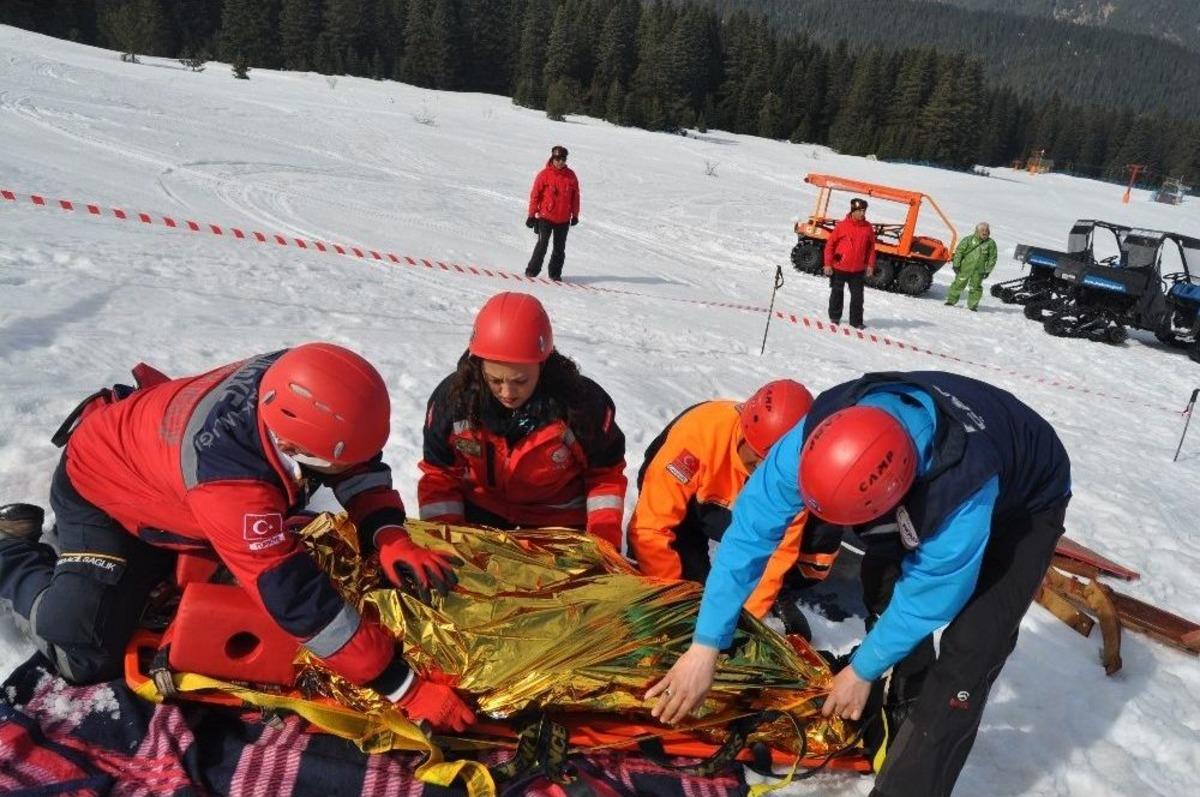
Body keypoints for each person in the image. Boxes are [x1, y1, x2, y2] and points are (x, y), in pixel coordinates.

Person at [0, 344, 474, 732]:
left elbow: (356, 462)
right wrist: (402, 687)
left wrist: (386, 530)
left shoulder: (302, 381)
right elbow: (296, 598)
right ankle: (13, 551)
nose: (356, 469)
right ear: (289, 446)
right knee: (82, 647)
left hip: (167, 477)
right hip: (102, 492)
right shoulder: (231, 483)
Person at [647, 370, 1071, 797]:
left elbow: (930, 597)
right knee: (883, 579)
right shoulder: (816, 435)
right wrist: (706, 644)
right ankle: (899, 696)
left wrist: (864, 668)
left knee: (972, 650)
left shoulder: (956, 495)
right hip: (934, 451)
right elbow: (751, 534)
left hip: (1027, 499)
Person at [628, 380, 842, 631]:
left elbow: (779, 553)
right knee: (684, 595)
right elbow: (651, 528)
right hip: (696, 506)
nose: (763, 475)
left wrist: (743, 621)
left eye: (772, 469)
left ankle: (780, 594)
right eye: (757, 464)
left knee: (819, 551)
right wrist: (671, 598)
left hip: (744, 514)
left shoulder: (791, 473)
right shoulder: (697, 436)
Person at [418, 292, 627, 549]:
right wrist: (444, 543)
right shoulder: (454, 402)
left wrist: (602, 544)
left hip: (555, 520)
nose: (507, 393)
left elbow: (604, 476)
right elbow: (439, 477)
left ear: (543, 364)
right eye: (495, 380)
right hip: (484, 513)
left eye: (520, 381)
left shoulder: (580, 406)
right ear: (479, 366)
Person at [525, 145, 580, 282]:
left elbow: (576, 197)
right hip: (546, 218)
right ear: (552, 158)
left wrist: (575, 215)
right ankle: (532, 271)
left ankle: (555, 274)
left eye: (563, 159)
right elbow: (535, 196)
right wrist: (531, 215)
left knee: (559, 249)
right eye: (557, 158)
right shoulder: (544, 175)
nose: (560, 161)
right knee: (542, 245)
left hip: (563, 219)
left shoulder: (571, 176)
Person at [824, 197, 877, 329]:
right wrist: (828, 264)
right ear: (853, 211)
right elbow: (830, 245)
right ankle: (835, 317)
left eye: (864, 211)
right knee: (837, 293)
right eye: (859, 211)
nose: (862, 214)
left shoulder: (868, 228)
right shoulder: (842, 226)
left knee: (858, 298)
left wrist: (870, 265)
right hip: (840, 268)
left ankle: (856, 322)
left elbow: (871, 248)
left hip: (857, 270)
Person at [945, 223, 998, 311]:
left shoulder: (991, 243)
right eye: (983, 230)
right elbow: (959, 252)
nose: (985, 232)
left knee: (976, 287)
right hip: (965, 267)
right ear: (977, 231)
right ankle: (951, 300)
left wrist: (988, 270)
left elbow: (992, 258)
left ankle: (972, 305)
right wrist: (956, 264)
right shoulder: (968, 240)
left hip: (979, 270)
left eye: (987, 230)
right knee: (958, 284)